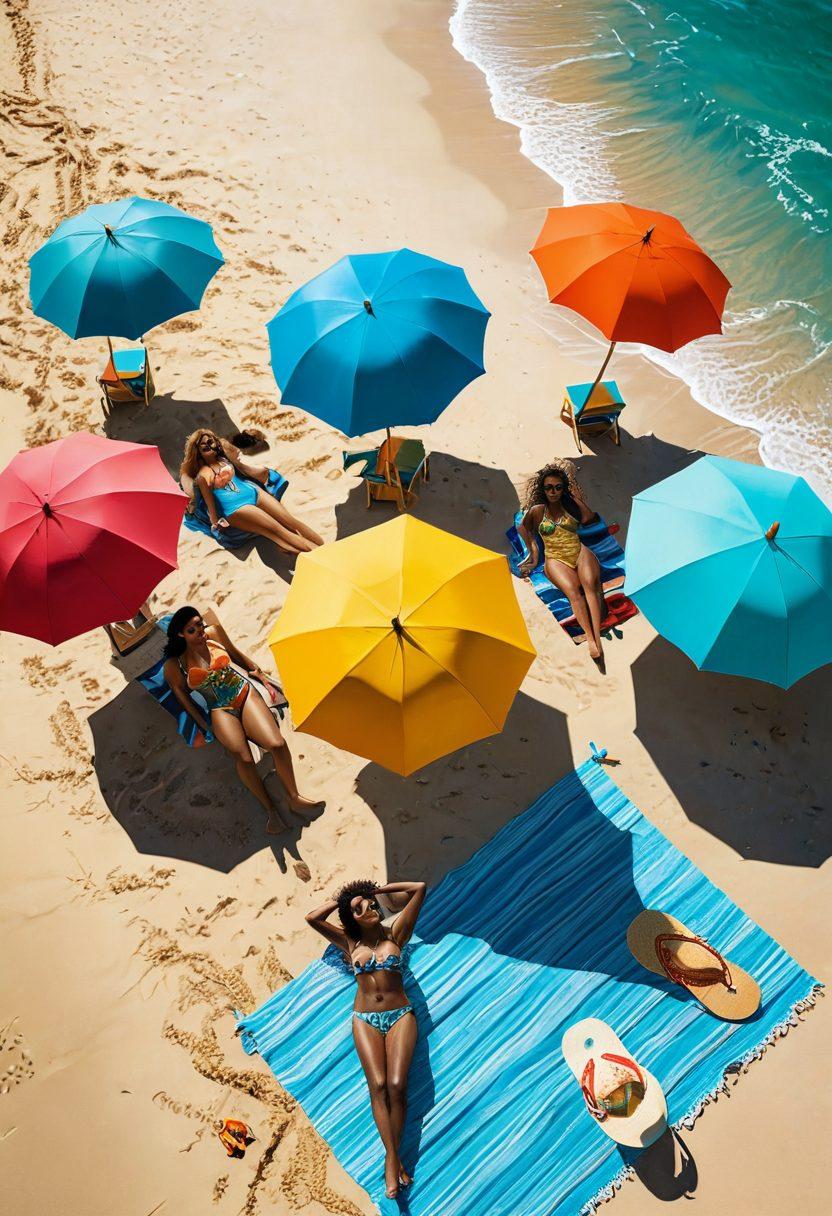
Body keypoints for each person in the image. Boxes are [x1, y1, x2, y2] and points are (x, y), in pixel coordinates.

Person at [305, 879, 427, 1200]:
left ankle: (391, 1158)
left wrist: (377, 891)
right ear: (351, 917)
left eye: (370, 904)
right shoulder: (348, 941)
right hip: (364, 1020)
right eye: (360, 908)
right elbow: (312, 919)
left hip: (400, 1014)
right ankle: (393, 1160)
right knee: (378, 1085)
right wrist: (345, 902)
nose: (369, 908)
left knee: (398, 1084)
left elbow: (419, 888)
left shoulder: (395, 934)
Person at [163, 606, 322, 832]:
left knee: (277, 744)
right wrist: (202, 725)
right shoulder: (174, 665)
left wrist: (256, 670)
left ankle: (294, 797)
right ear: (181, 635)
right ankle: (270, 811)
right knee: (244, 759)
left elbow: (235, 653)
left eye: (200, 624)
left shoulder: (214, 635)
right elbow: (183, 698)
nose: (200, 630)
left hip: (243, 693)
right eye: (192, 629)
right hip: (218, 708)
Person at [517, 460, 607, 669]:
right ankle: (591, 640)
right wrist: (534, 552)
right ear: (543, 489)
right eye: (549, 487)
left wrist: (576, 497)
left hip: (578, 550)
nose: (553, 491)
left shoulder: (570, 505)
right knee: (573, 592)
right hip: (555, 558)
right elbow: (524, 529)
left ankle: (597, 641)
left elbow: (589, 519)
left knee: (590, 586)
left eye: (558, 487)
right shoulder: (538, 511)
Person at [180, 429, 323, 554]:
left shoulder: (223, 458)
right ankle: (319, 555)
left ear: (216, 443)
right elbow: (209, 503)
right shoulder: (201, 476)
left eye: (210, 441)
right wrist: (215, 523)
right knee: (279, 532)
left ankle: (323, 547)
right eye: (202, 444)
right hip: (236, 508)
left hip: (253, 492)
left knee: (291, 522)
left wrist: (264, 473)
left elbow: (243, 468)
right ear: (197, 450)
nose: (208, 445)